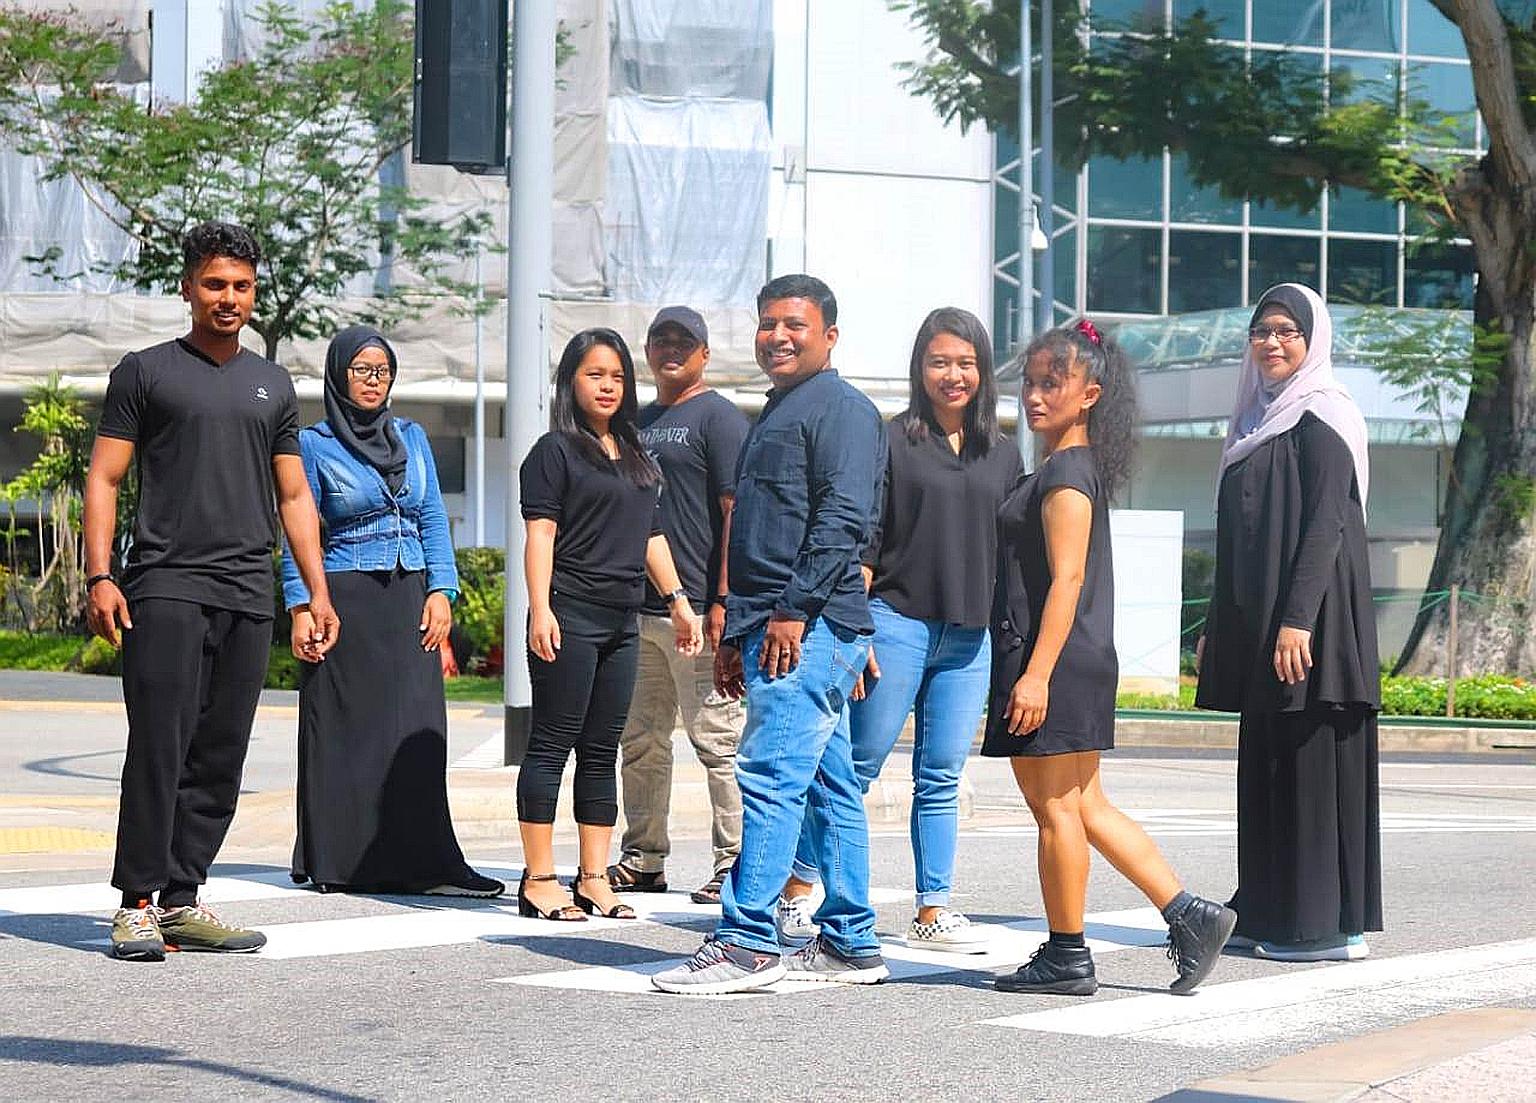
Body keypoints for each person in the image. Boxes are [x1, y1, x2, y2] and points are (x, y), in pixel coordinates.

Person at [83, 221, 340, 961]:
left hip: (245, 590)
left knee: (221, 751)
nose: (229, 298)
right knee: (160, 745)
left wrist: (312, 593)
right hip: (164, 583)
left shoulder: (272, 382)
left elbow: (294, 496)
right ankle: (135, 904)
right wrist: (102, 574)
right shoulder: (147, 371)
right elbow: (104, 477)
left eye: (242, 287)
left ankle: (182, 898)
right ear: (188, 287)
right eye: (215, 284)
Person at [652, 274, 888, 995]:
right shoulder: (779, 409)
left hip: (807, 622)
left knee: (770, 776)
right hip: (780, 620)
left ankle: (749, 941)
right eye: (767, 324)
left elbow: (844, 517)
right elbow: (757, 528)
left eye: (795, 324)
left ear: (829, 337)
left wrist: (791, 611)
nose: (778, 336)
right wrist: (735, 629)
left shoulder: (841, 409)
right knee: (828, 784)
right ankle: (849, 940)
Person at [985, 320, 1233, 997]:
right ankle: (1190, 913)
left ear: (1089, 393)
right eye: (1031, 381)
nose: (1035, 395)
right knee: (1085, 805)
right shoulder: (1064, 467)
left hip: (1055, 662)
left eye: (1052, 383)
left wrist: (1034, 673)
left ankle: (1068, 954)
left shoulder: (1067, 472)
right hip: (1066, 658)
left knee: (1057, 810)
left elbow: (1066, 580)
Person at [777, 307, 1018, 953]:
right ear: (920, 368)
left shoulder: (1004, 450)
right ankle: (797, 888)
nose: (953, 374)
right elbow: (864, 540)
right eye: (939, 361)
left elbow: (1013, 551)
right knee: (855, 768)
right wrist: (856, 630)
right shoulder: (892, 439)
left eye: (965, 362)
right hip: (896, 622)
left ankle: (932, 908)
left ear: (983, 370)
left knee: (941, 776)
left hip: (968, 638)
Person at [280, 325, 503, 899]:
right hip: (345, 597)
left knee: (417, 727)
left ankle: (430, 858)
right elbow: (297, 530)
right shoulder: (314, 443)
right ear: (338, 375)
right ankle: (344, 860)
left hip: (409, 599)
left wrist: (441, 590)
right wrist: (302, 604)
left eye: (381, 370)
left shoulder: (412, 436)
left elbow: (431, 516)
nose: (373, 381)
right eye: (361, 370)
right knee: (349, 730)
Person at [1195, 283, 1382, 963]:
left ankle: (1322, 924)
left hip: (1314, 625)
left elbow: (1330, 520)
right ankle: (1269, 905)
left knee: (1308, 762)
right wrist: (1220, 623)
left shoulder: (1325, 414)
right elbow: (1237, 535)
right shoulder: (1252, 423)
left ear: (1312, 340)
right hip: (1263, 625)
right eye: (1262, 329)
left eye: (1287, 330)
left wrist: (1299, 618)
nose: (1271, 341)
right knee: (1266, 764)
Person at [516, 328, 704, 923]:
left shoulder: (636, 453)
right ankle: (539, 878)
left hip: (624, 617)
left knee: (601, 751)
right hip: (568, 613)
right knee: (551, 746)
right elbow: (540, 533)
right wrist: (540, 607)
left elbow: (650, 535)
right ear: (572, 381)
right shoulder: (554, 451)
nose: (607, 386)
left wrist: (676, 599)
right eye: (595, 374)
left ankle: (593, 877)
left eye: (617, 376)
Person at [609, 306, 749, 905]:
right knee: (640, 740)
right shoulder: (634, 420)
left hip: (697, 610)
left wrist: (722, 599)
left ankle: (735, 862)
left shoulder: (719, 418)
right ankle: (644, 856)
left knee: (718, 742)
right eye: (661, 341)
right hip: (637, 609)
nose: (671, 351)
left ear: (704, 354)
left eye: (683, 343)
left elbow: (733, 514)